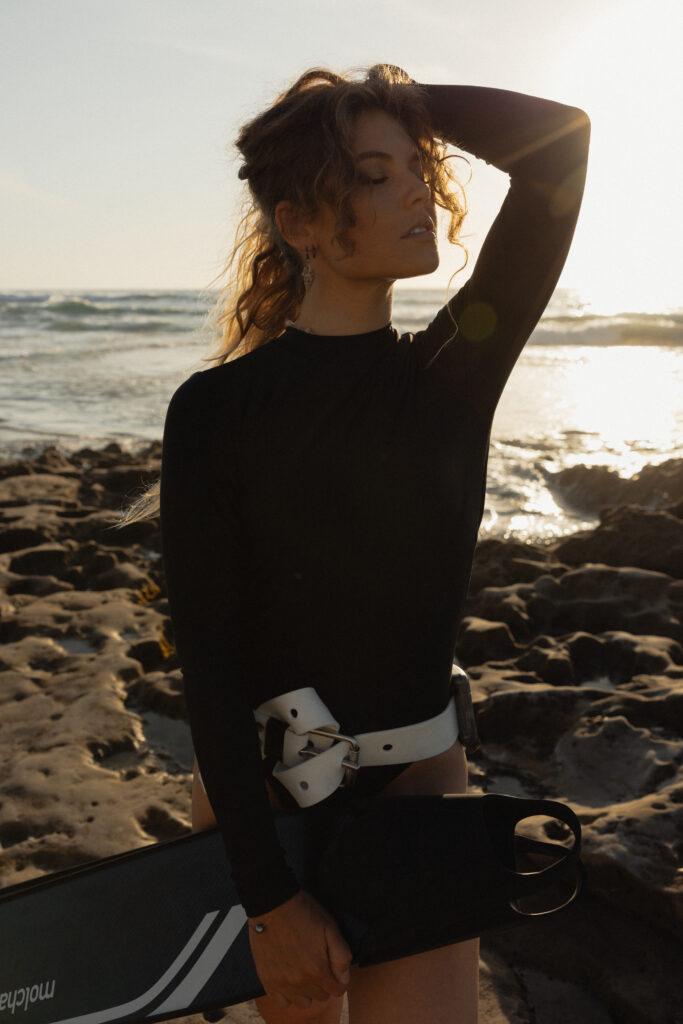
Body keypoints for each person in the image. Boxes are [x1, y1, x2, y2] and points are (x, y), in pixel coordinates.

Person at [153, 64, 590, 1024]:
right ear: (300, 222)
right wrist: (268, 901)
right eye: (372, 175)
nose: (418, 194)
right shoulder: (216, 413)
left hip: (420, 796)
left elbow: (560, 142)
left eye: (417, 168)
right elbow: (211, 665)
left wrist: (395, 94)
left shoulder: (451, 376)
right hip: (263, 810)